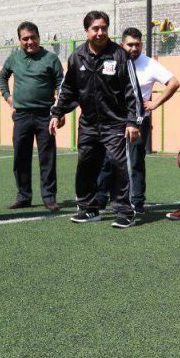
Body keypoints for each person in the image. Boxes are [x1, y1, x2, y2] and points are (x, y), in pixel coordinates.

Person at [50, 11, 142, 229]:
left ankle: (125, 211)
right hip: (89, 124)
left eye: (104, 28)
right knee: (86, 165)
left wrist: (133, 122)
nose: (100, 32)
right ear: (86, 31)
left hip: (115, 123)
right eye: (95, 28)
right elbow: (68, 88)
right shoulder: (77, 56)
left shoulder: (120, 55)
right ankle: (89, 208)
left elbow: (133, 91)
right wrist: (57, 112)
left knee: (120, 166)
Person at [94, 27, 179, 214]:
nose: (134, 48)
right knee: (108, 159)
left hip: (139, 121)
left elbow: (174, 83)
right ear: (122, 44)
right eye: (130, 44)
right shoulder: (112, 61)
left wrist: (154, 103)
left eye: (137, 45)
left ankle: (137, 202)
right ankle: (100, 199)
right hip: (115, 121)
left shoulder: (150, 64)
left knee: (135, 162)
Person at [0, 21, 64, 212]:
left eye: (32, 37)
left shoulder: (51, 58)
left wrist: (59, 110)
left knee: (47, 158)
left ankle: (49, 198)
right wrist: (8, 97)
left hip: (46, 116)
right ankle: (23, 196)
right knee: (20, 157)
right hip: (22, 116)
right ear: (19, 40)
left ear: (39, 37)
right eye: (25, 39)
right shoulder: (14, 58)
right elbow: (2, 77)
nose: (29, 42)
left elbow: (61, 83)